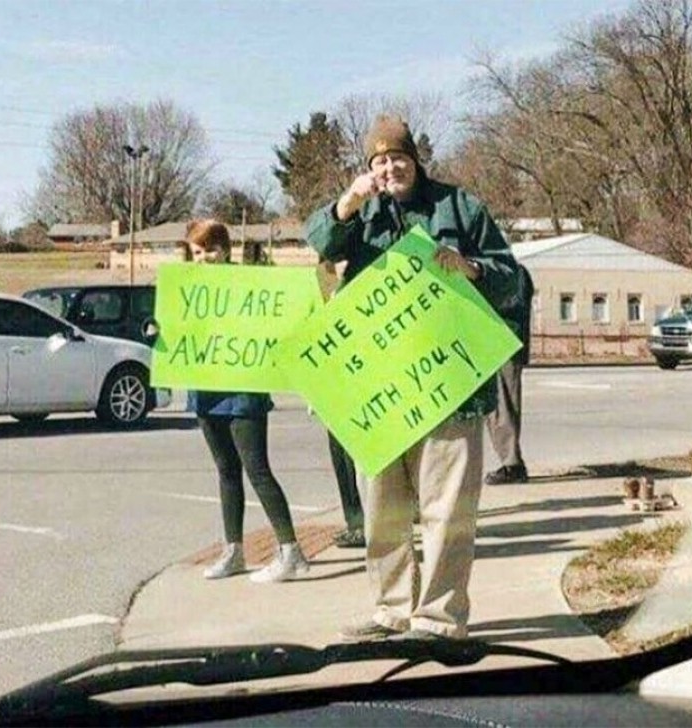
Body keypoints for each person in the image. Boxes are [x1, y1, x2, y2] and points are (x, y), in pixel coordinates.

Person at [304, 115, 518, 641]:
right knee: (382, 513)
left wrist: (469, 267)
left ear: (415, 161)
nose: (390, 168)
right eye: (379, 161)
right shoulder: (361, 213)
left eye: (398, 158)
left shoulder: (458, 205)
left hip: (449, 388)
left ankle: (440, 618)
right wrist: (347, 203)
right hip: (380, 389)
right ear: (369, 169)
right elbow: (321, 244)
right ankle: (392, 608)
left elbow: (513, 279)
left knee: (448, 511)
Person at [183, 219, 309, 583]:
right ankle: (233, 550)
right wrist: (159, 329)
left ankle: (291, 550)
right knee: (226, 470)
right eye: (197, 252)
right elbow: (174, 329)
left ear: (225, 250)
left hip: (244, 392)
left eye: (210, 250)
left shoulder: (251, 286)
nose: (204, 258)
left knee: (257, 469)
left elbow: (278, 323)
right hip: (206, 389)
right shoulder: (188, 290)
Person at [315, 259, 366, 549]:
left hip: (365, 379)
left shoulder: (367, 272)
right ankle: (356, 522)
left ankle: (382, 519)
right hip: (333, 382)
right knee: (342, 459)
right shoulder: (322, 279)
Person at [484, 262, 534, 485]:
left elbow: (513, 304)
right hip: (494, 344)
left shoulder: (514, 272)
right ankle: (510, 461)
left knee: (503, 407)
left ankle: (512, 465)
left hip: (504, 344)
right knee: (496, 409)